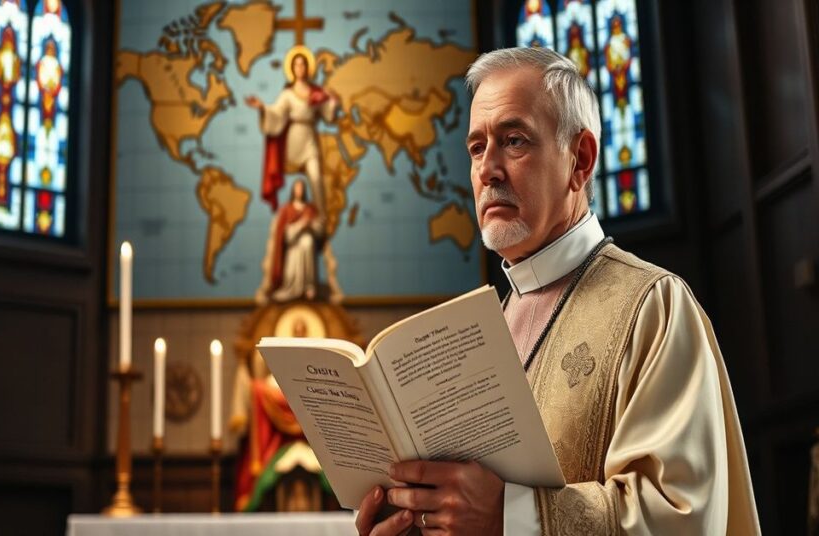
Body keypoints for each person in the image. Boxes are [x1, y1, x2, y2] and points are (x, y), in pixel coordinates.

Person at [355, 47, 760, 535]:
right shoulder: (488, 325)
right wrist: (415, 519)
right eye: (477, 148)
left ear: (580, 160)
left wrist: (510, 516)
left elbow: (682, 514)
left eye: (514, 141)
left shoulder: (654, 306)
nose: (487, 170)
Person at [246, 46, 340, 223]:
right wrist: (262, 108)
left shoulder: (315, 93)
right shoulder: (288, 94)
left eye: (303, 64)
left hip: (309, 138)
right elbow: (276, 113)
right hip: (293, 141)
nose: (300, 68)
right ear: (292, 68)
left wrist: (332, 100)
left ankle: (321, 218)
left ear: (307, 68)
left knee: (316, 178)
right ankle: (290, 216)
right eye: (296, 65)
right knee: (291, 180)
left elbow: (328, 115)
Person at [257, 179, 324, 303]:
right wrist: (300, 225)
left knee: (308, 243)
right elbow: (285, 234)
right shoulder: (287, 209)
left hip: (308, 248)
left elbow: (319, 229)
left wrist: (311, 225)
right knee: (293, 270)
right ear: (293, 190)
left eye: (301, 188)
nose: (299, 190)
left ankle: (309, 287)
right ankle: (293, 289)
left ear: (304, 190)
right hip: (294, 247)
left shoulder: (310, 208)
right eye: (297, 188)